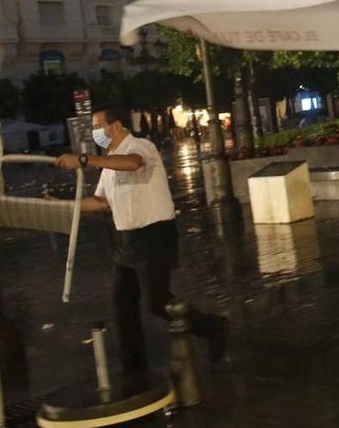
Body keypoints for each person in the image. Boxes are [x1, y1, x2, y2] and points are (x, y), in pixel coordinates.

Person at [56, 105, 227, 373]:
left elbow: (133, 163)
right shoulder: (109, 162)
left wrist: (84, 160)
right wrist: (64, 206)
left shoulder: (141, 146)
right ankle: (133, 364)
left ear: (115, 126)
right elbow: (101, 201)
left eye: (97, 126)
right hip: (126, 238)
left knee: (158, 302)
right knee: (122, 302)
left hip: (154, 235)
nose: (95, 133)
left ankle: (213, 327)